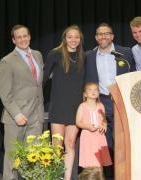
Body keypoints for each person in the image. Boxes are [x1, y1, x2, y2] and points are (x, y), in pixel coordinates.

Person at [85, 23, 136, 180]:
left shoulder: (125, 52)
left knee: (123, 140)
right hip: (102, 103)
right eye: (100, 34)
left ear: (112, 36)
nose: (103, 37)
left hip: (122, 103)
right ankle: (106, 176)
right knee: (104, 142)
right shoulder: (89, 55)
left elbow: (134, 74)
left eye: (106, 34)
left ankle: (124, 174)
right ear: (96, 38)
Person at [0, 25, 44, 180]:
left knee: (34, 158)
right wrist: (16, 114)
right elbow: (4, 94)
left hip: (37, 116)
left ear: (29, 37)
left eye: (25, 36)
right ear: (13, 40)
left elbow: (36, 83)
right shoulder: (7, 62)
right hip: (16, 118)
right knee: (12, 159)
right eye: (19, 37)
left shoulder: (37, 55)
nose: (23, 39)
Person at [43, 25, 85, 180]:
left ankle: (67, 178)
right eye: (70, 37)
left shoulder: (83, 56)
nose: (73, 40)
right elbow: (43, 78)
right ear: (64, 38)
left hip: (75, 107)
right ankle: (54, 177)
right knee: (56, 146)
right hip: (59, 106)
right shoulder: (55, 54)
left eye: (76, 37)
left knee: (71, 144)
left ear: (80, 39)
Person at [76, 82, 112, 169]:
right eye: (90, 89)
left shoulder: (100, 105)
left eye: (96, 89)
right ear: (85, 94)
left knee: (99, 162)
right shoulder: (82, 106)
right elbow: (78, 122)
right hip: (87, 136)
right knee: (89, 161)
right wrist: (87, 126)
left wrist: (104, 124)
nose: (93, 91)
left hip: (99, 136)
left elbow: (104, 119)